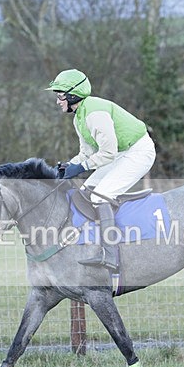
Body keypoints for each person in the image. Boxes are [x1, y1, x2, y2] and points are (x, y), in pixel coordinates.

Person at [46, 68, 156, 272]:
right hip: (122, 153)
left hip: (138, 152)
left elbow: (108, 153)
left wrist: (81, 167)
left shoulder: (95, 113)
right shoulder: (79, 116)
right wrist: (68, 166)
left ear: (72, 95)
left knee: (100, 197)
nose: (58, 101)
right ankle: (91, 243)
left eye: (60, 96)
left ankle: (111, 254)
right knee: (86, 192)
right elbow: (86, 153)